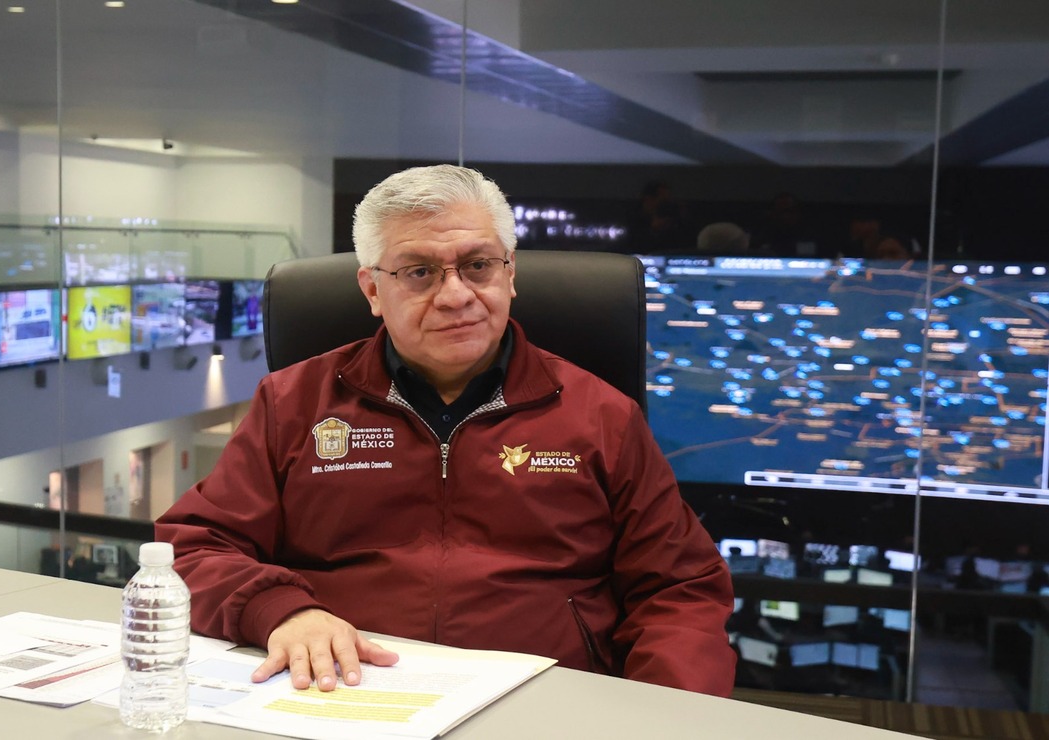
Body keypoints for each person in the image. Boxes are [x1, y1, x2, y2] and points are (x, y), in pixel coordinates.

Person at [155, 164, 736, 697]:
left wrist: (668, 718)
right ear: (373, 291)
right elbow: (192, 547)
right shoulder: (294, 402)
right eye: (420, 272)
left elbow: (678, 591)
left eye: (478, 265)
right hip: (342, 698)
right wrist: (280, 610)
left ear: (511, 276)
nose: (456, 295)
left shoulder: (601, 414)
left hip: (548, 706)